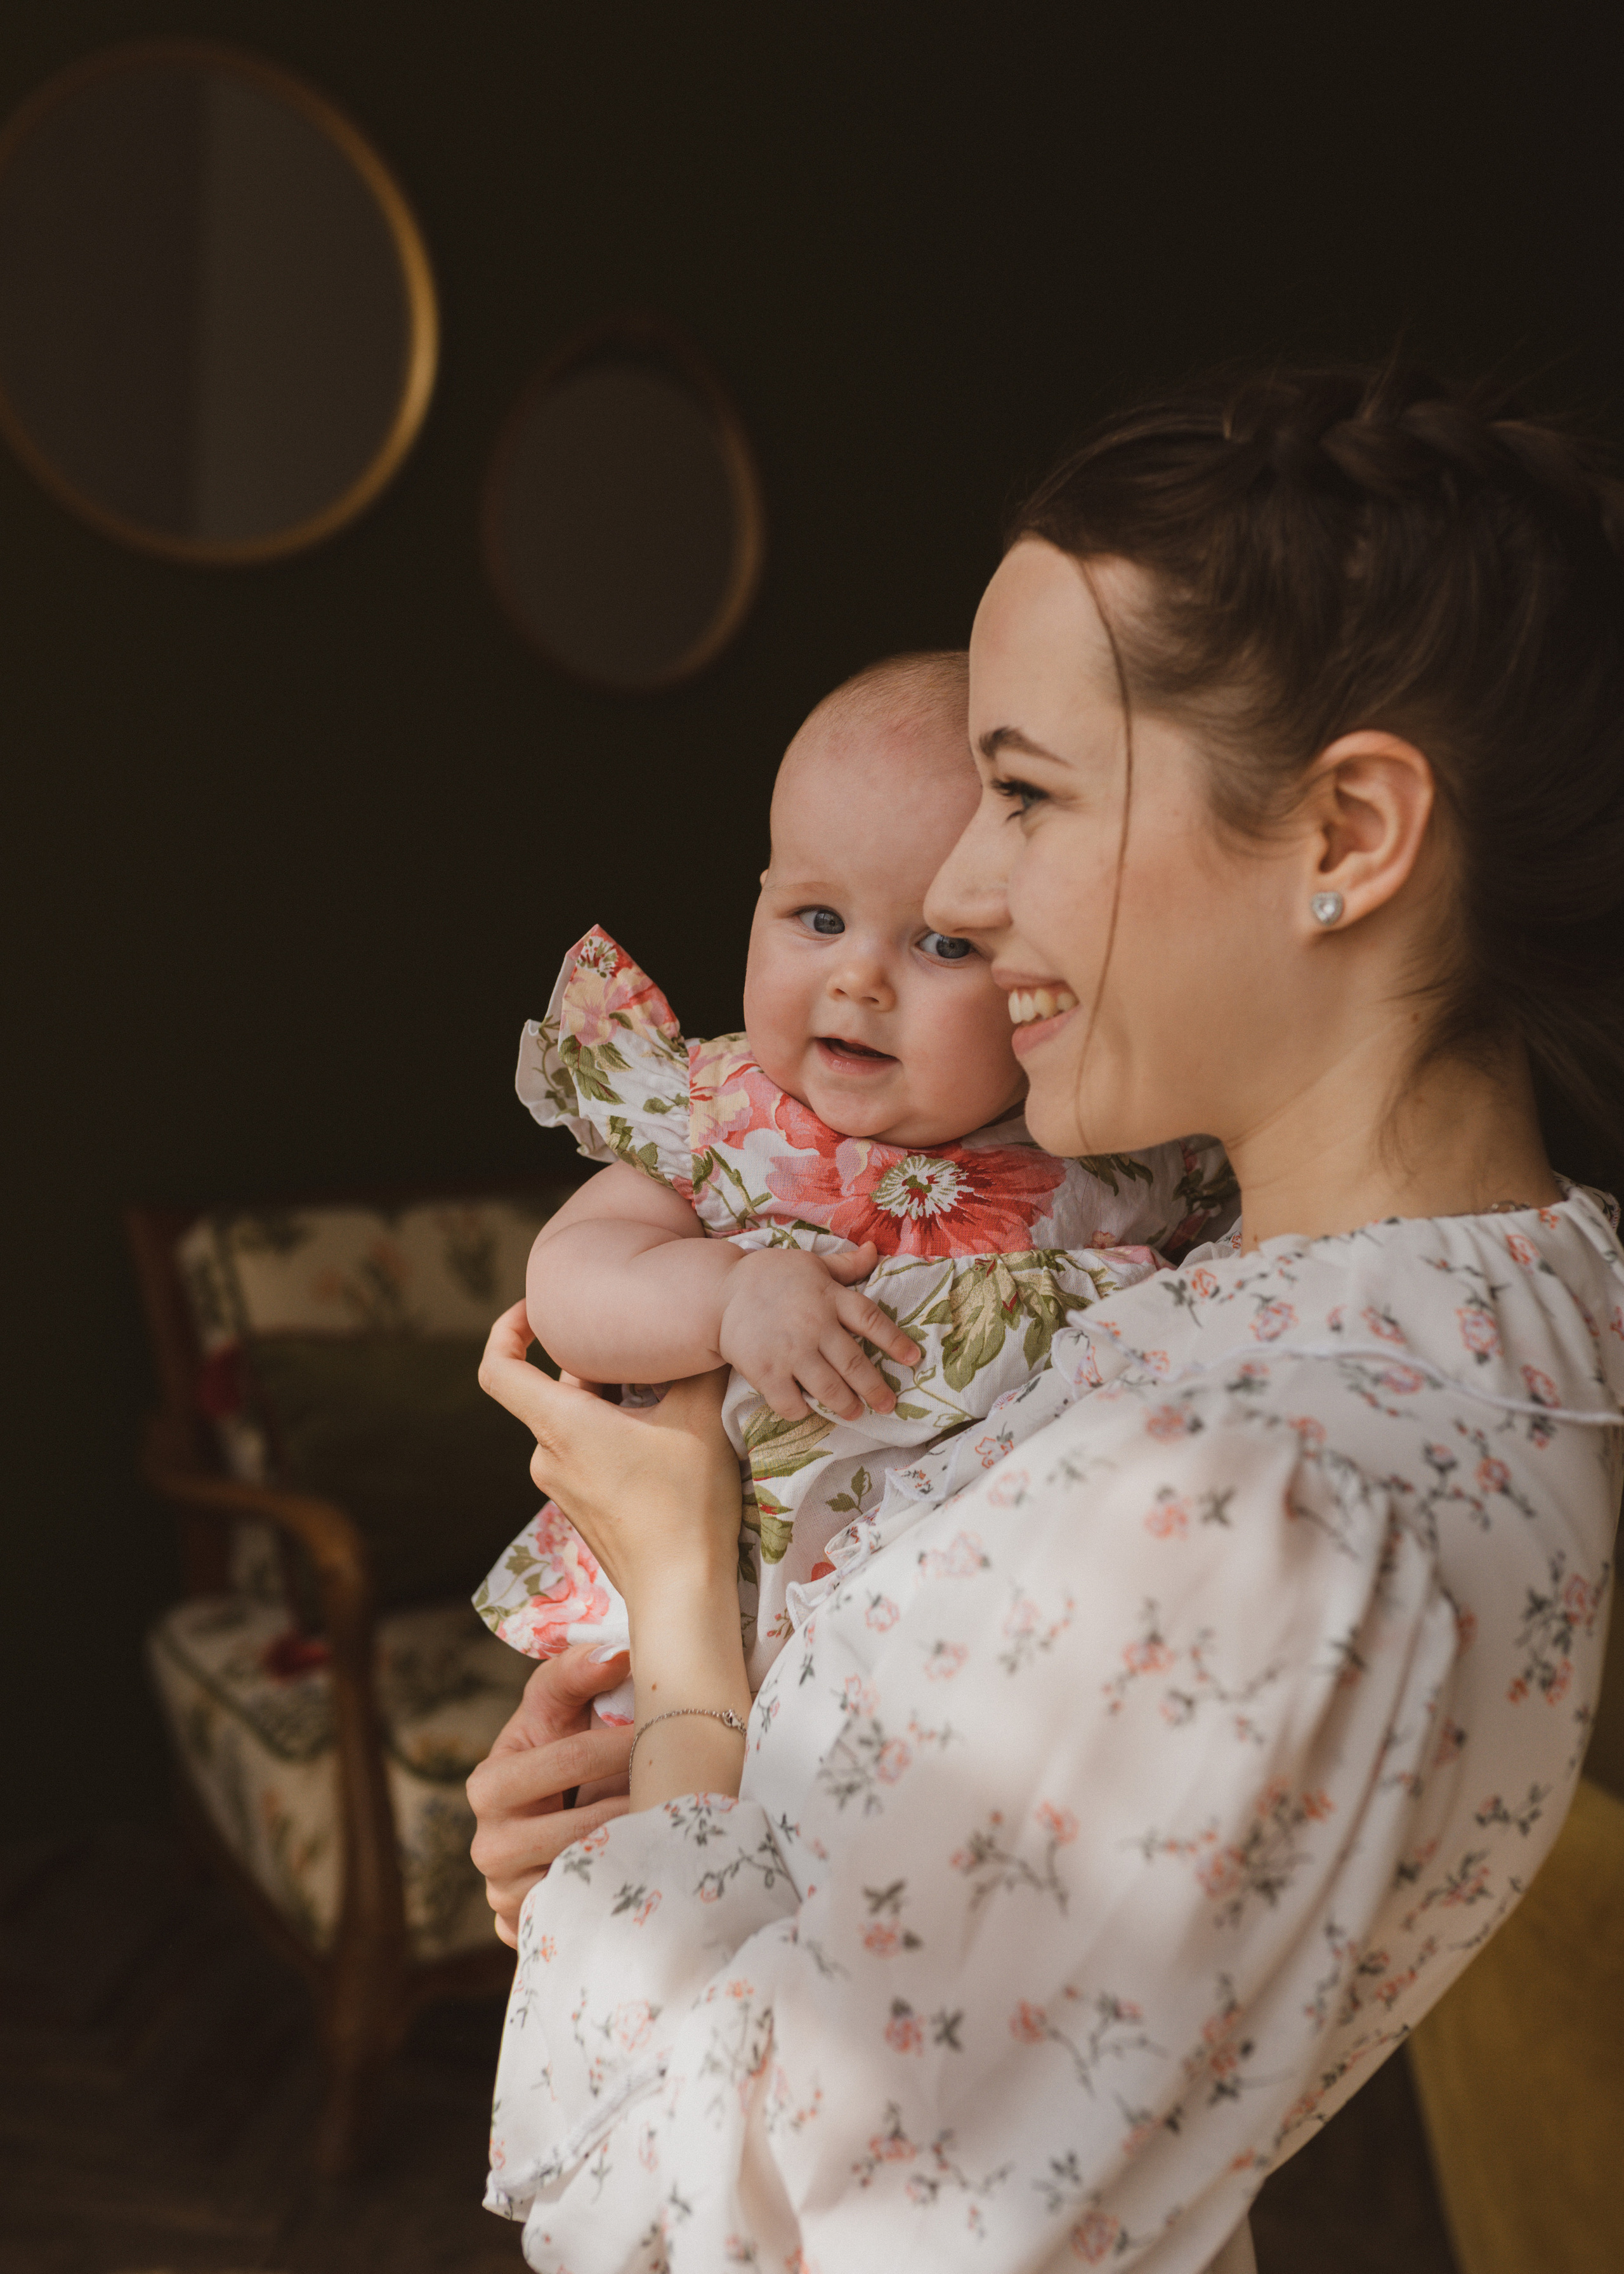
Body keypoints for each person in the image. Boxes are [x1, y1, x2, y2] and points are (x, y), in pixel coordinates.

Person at [468, 363, 1624, 2274]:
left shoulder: (1251, 1504)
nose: (973, 897)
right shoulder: (1397, 1315)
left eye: (1024, 795)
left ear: (1348, 833)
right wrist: (636, 1852)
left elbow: (711, 2230)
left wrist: (681, 1624)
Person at [477, 654, 1231, 1720]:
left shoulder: (1116, 1144)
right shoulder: (726, 1117)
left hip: (957, 1660)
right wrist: (728, 1296)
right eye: (818, 920)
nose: (859, 978)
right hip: (700, 1638)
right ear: (760, 900)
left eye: (943, 943)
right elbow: (568, 1284)